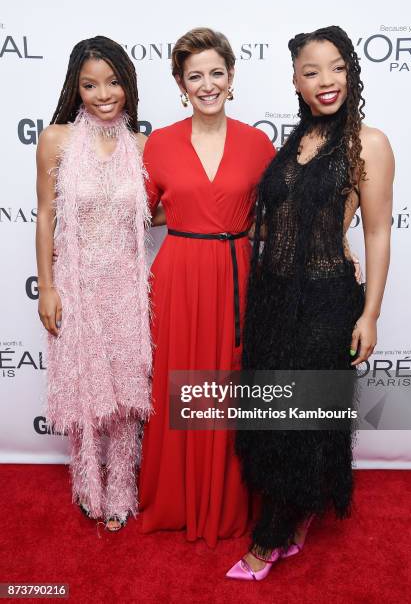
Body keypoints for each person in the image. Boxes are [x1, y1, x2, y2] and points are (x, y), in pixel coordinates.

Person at [227, 25, 394, 580]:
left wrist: (369, 312)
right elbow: (276, 218)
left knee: (299, 416)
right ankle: (298, 515)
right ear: (296, 82)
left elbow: (375, 233)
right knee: (272, 410)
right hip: (272, 299)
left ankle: (269, 537)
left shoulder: (366, 143)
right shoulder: (293, 143)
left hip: (326, 302)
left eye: (338, 67)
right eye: (312, 71)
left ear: (352, 72)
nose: (327, 81)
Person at [138, 27, 276, 547]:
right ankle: (177, 500)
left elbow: (274, 218)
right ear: (180, 83)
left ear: (232, 76)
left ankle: (228, 503)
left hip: (238, 273)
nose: (207, 84)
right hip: (179, 276)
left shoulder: (258, 143)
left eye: (216, 72)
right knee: (178, 386)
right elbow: (140, 214)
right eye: (195, 75)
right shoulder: (161, 143)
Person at [36, 36, 151, 531]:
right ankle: (87, 483)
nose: (103, 94)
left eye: (113, 83)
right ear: (75, 88)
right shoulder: (57, 139)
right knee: (83, 388)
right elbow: (45, 215)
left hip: (127, 287)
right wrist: (47, 286)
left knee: (126, 394)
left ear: (128, 84)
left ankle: (123, 484)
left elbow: (161, 209)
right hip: (77, 283)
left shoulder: (143, 146)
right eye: (90, 85)